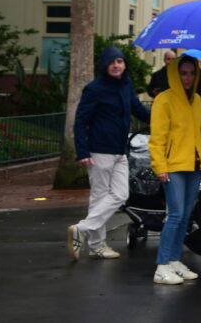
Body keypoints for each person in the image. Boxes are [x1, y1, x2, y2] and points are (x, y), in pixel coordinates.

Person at [67, 46, 151, 261]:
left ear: (124, 64)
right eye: (112, 62)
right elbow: (80, 121)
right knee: (99, 197)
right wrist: (82, 150)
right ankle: (97, 246)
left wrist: (162, 119)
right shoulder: (94, 89)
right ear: (105, 65)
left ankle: (82, 229)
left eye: (120, 61)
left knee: (121, 194)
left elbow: (138, 109)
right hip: (99, 151)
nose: (116, 65)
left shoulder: (126, 85)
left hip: (120, 150)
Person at [148, 55, 201, 285]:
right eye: (183, 73)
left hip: (194, 164)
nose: (188, 77)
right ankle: (162, 265)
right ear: (175, 74)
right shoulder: (164, 100)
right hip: (173, 166)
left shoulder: (197, 99)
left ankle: (173, 260)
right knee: (176, 215)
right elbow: (157, 138)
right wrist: (160, 166)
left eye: (191, 73)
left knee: (185, 216)